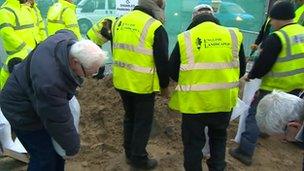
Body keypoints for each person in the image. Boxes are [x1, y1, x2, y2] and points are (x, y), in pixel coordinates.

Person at [0, 30, 106, 171]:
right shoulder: (50, 83)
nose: (91, 76)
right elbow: (58, 121)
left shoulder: (67, 41)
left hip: (32, 96)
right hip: (21, 110)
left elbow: (64, 31)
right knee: (44, 157)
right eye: (89, 72)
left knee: (56, 154)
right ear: (75, 62)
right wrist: (72, 147)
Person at [168, 7, 246, 170]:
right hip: (223, 101)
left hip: (194, 104)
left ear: (193, 20)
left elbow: (173, 72)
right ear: (214, 17)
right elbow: (242, 69)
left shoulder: (185, 37)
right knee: (218, 139)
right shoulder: (233, 35)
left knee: (193, 145)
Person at [229, 1, 304, 166]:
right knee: (283, 114)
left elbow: (263, 64)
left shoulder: (278, 37)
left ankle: (245, 151)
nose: (271, 23)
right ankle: (266, 131)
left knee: (254, 116)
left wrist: (249, 76)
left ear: (279, 18)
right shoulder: (301, 32)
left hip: (275, 86)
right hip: (297, 87)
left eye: (272, 19)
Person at [112, 0, 169, 169]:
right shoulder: (155, 27)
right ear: (157, 6)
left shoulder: (120, 21)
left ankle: (129, 153)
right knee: (142, 122)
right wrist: (165, 86)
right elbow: (162, 62)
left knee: (129, 117)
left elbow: (116, 50)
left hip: (121, 81)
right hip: (141, 85)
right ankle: (138, 158)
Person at [0, 0, 37, 89]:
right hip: (18, 54)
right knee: (9, 79)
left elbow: (33, 29)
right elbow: (6, 32)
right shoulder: (6, 10)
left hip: (30, 51)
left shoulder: (24, 8)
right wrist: (24, 47)